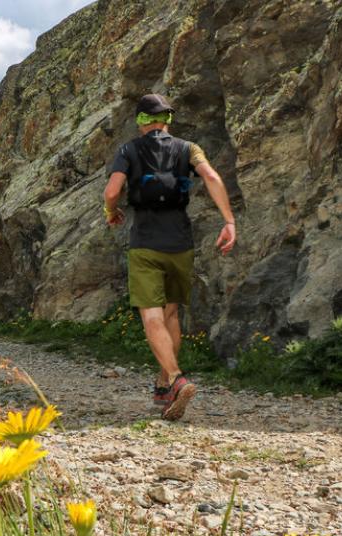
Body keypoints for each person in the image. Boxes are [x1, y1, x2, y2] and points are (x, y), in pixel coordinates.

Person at [103, 93, 236, 420]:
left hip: (145, 243)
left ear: (140, 122)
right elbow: (212, 178)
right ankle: (163, 385)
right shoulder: (189, 148)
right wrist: (229, 221)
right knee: (171, 314)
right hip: (180, 242)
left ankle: (176, 379)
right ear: (168, 121)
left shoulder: (128, 150)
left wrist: (111, 211)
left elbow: (111, 191)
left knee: (152, 317)